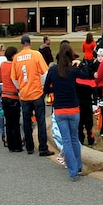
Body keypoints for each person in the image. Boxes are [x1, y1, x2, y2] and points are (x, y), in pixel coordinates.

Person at [43, 42, 90, 181]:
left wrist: (55, 90)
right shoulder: (73, 70)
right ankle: (79, 165)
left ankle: (73, 170)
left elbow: (46, 89)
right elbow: (87, 75)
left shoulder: (53, 71)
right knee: (74, 138)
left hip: (60, 109)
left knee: (66, 141)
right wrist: (80, 64)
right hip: (74, 108)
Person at [11, 35, 54, 156]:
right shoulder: (36, 55)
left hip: (24, 95)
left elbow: (14, 79)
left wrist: (20, 88)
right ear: (30, 43)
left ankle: (29, 147)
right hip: (36, 93)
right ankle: (42, 148)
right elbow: (45, 73)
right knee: (41, 121)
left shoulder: (16, 58)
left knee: (26, 121)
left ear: (21, 44)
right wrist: (43, 86)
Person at [0, 46, 24, 152]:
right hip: (13, 96)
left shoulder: (3, 65)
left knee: (8, 122)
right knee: (15, 122)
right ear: (14, 55)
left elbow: (0, 79)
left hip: (4, 95)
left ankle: (10, 145)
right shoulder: (15, 66)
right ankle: (17, 145)